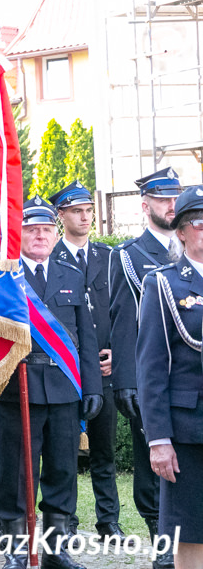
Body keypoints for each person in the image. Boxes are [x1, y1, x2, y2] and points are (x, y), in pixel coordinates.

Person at [0, 196, 102, 569]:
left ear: (55, 236)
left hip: (63, 387)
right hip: (14, 389)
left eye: (45, 230)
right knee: (15, 472)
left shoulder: (70, 275)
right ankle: (17, 548)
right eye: (31, 230)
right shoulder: (2, 278)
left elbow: (85, 339)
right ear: (18, 234)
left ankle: (57, 548)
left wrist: (92, 388)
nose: (39, 236)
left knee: (61, 470)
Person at [109, 167, 181, 569]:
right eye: (162, 199)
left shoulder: (194, 250)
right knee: (153, 464)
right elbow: (123, 321)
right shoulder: (129, 256)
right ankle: (163, 547)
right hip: (150, 378)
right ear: (145, 204)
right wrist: (126, 381)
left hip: (190, 376)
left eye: (175, 197)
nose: (171, 206)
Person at [49, 182, 124, 541]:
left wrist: (117, 355)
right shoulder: (50, 257)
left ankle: (109, 521)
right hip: (64, 369)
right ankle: (68, 521)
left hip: (104, 368)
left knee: (103, 449)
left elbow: (123, 313)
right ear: (61, 216)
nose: (85, 216)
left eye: (89, 210)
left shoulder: (108, 258)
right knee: (62, 452)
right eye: (76, 210)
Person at [137, 185, 203, 568]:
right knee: (191, 531)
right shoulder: (163, 284)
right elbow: (151, 370)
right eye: (198, 222)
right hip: (189, 431)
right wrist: (158, 439)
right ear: (180, 231)